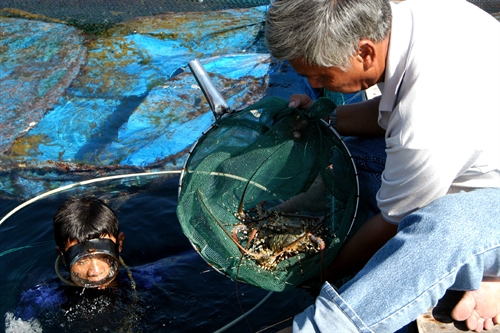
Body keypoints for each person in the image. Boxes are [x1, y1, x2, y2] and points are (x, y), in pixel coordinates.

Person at [265, 0, 500, 332]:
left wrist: (322, 272)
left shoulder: (427, 119)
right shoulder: (414, 16)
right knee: (354, 157)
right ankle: (481, 273)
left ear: (364, 53)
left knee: (436, 232)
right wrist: (323, 117)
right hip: (477, 151)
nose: (315, 85)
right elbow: (388, 115)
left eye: (319, 74)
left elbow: (392, 224)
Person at [53, 197, 125, 289]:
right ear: (62, 256)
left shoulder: (144, 276)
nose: (95, 272)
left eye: (104, 256)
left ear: (120, 243)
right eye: (82, 261)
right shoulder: (45, 294)